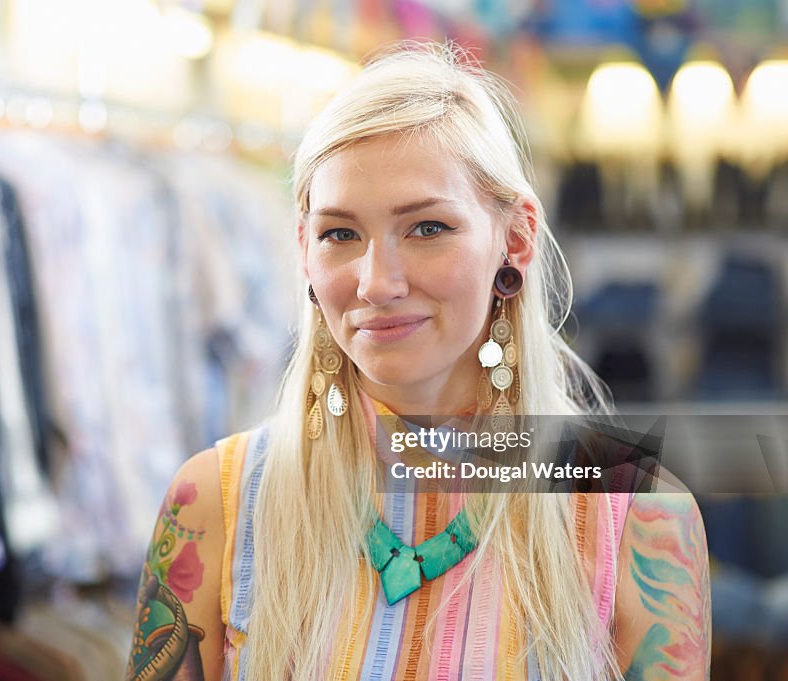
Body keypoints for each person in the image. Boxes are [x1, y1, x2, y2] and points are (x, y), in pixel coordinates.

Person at [124, 41, 711, 681]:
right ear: (304, 251)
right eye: (339, 234)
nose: (377, 282)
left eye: (427, 228)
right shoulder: (217, 499)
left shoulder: (635, 512)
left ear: (515, 239)